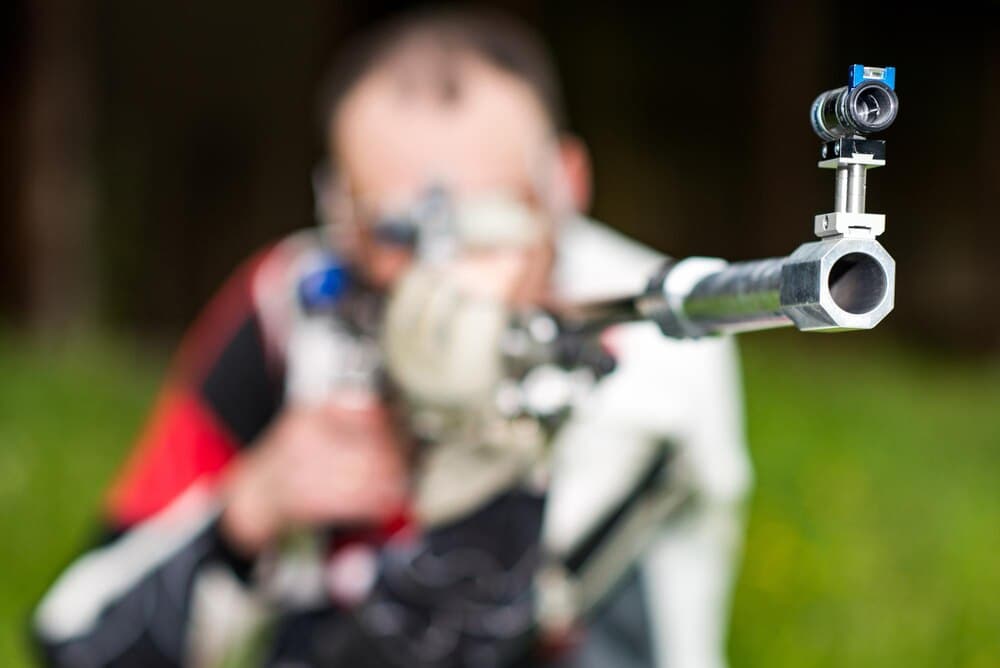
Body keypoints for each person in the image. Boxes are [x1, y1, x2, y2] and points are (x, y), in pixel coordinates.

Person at [32, 8, 751, 668]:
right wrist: (249, 514)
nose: (431, 278)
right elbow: (78, 637)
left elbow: (460, 633)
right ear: (338, 212)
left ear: (564, 187)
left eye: (475, 226)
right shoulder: (293, 306)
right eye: (393, 233)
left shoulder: (652, 338)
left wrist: (486, 436)